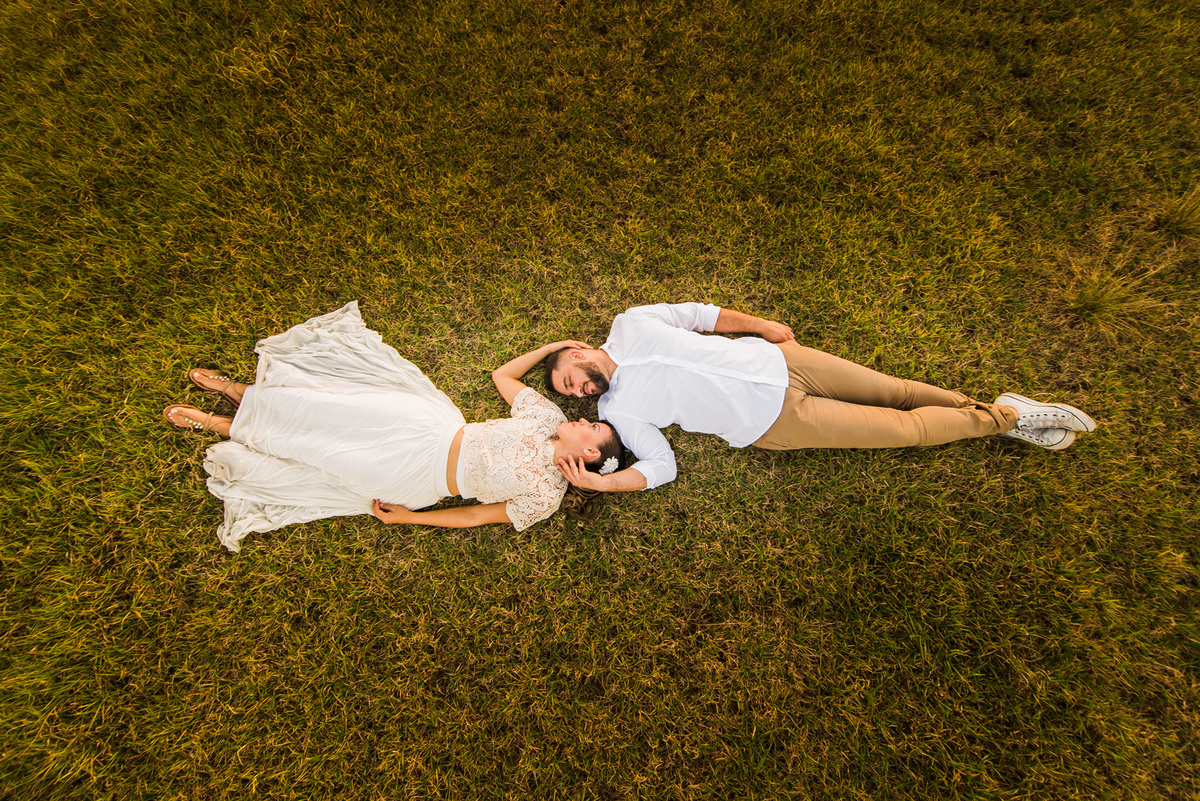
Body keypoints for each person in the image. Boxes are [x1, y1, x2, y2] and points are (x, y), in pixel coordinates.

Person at [163, 302, 622, 551]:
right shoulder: (548, 418)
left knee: (318, 451)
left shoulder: (544, 498)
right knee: (325, 410)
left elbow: (475, 515)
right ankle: (238, 391)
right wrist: (553, 347)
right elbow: (503, 377)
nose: (583, 418)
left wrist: (410, 517)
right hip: (429, 428)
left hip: (416, 478)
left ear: (589, 454)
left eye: (592, 428)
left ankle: (217, 425)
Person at [544, 302, 1096, 493]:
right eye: (574, 395)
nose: (582, 392)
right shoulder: (616, 412)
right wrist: (603, 482)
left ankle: (994, 411)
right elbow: (660, 465)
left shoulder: (631, 323)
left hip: (781, 362)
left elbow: (699, 316)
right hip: (776, 420)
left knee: (900, 392)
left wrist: (759, 325)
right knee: (906, 430)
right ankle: (1010, 416)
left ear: (577, 350)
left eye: (571, 379)